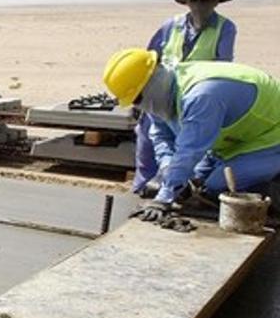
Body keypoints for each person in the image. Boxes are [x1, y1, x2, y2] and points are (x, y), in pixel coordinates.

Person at [103, 48, 280, 224]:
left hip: (271, 136)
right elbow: (161, 137)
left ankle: (272, 198)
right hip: (235, 141)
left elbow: (190, 150)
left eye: (137, 100)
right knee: (194, 182)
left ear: (150, 82)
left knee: (217, 187)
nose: (138, 106)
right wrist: (167, 169)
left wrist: (164, 198)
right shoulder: (160, 92)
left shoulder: (202, 95)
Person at [132, 0, 237, 195]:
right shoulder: (172, 26)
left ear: (217, 0)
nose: (200, 4)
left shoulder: (225, 28)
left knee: (189, 149)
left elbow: (223, 69)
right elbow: (148, 60)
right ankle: (143, 191)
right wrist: (139, 99)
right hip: (160, 93)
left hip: (192, 98)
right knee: (149, 146)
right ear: (187, 1)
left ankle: (178, 191)